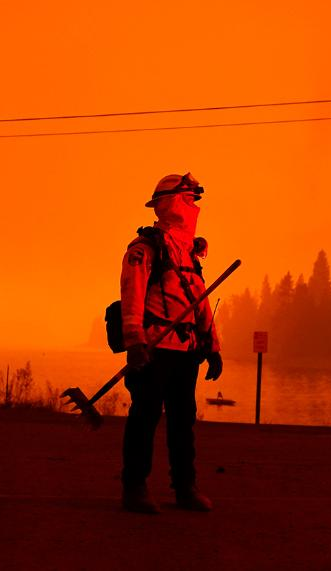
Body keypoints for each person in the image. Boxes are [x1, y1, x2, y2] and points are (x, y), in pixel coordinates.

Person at [118, 172, 224, 514]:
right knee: (144, 418)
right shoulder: (146, 248)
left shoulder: (190, 253)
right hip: (153, 349)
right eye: (189, 199)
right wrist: (134, 341)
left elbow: (199, 300)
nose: (194, 207)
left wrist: (213, 346)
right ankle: (135, 488)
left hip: (186, 352)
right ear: (171, 202)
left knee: (183, 422)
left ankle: (184, 488)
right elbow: (132, 294)